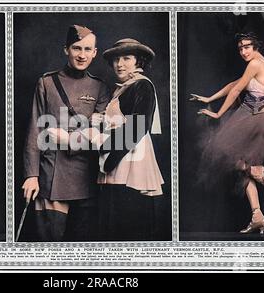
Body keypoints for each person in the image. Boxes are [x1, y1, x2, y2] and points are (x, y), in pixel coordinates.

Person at [22, 25, 110, 241]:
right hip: (52, 175)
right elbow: (35, 129)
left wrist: (69, 139)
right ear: (66, 49)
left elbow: (102, 134)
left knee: (83, 248)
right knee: (49, 244)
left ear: (95, 53)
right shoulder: (47, 82)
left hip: (88, 178)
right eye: (76, 48)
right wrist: (31, 175)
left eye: (88, 49)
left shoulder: (100, 88)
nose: (82, 55)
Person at [190, 32, 264, 234]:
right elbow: (234, 85)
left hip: (250, 117)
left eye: (247, 47)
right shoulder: (261, 62)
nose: (243, 51)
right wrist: (210, 97)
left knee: (216, 150)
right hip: (259, 116)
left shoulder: (254, 64)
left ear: (256, 47)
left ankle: (254, 170)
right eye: (240, 48)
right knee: (237, 166)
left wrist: (218, 114)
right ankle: (257, 215)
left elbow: (236, 92)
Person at [82, 38, 164, 240]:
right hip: (118, 155)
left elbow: (137, 127)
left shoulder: (142, 86)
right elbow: (118, 122)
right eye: (116, 59)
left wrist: (107, 154)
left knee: (129, 219)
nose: (119, 64)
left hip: (130, 160)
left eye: (126, 58)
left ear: (139, 61)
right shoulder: (124, 87)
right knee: (114, 220)